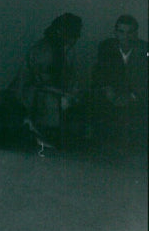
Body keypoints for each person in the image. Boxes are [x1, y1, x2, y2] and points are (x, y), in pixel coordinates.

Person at [9, 12, 83, 148]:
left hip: (53, 91)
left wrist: (73, 93)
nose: (74, 40)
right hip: (30, 92)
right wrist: (66, 94)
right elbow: (39, 83)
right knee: (55, 101)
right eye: (72, 36)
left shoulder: (66, 50)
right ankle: (36, 130)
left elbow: (72, 77)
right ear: (60, 33)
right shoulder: (43, 51)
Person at [91, 14, 148, 147]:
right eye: (121, 32)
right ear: (115, 33)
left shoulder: (145, 49)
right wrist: (108, 91)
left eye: (130, 32)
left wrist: (132, 96)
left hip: (137, 96)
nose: (125, 36)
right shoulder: (106, 46)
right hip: (112, 94)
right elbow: (99, 72)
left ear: (136, 33)